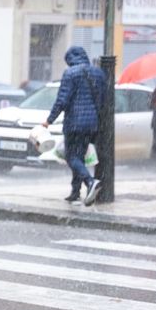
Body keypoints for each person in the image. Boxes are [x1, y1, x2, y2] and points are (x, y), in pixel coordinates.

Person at [42, 46, 106, 206]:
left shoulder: (71, 73)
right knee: (79, 157)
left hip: (75, 123)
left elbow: (62, 100)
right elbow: (103, 99)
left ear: (70, 59)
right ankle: (75, 192)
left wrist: (49, 120)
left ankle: (90, 182)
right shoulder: (98, 73)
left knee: (71, 157)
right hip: (91, 123)